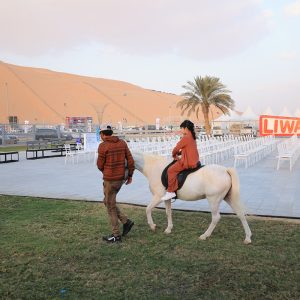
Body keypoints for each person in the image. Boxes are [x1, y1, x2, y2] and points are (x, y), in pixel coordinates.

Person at [97, 124, 135, 243]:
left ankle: (116, 235)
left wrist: (105, 170)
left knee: (110, 206)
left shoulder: (103, 146)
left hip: (110, 181)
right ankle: (126, 221)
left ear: (103, 135)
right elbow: (130, 160)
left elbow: (99, 165)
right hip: (120, 179)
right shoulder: (122, 143)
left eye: (101, 135)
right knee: (107, 201)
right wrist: (129, 176)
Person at [161, 120, 200, 200]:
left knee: (170, 170)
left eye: (181, 128)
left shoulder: (186, 137)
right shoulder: (192, 136)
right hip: (195, 160)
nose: (181, 130)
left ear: (185, 128)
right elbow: (188, 149)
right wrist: (180, 153)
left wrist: (174, 154)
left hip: (188, 162)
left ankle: (171, 191)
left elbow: (176, 148)